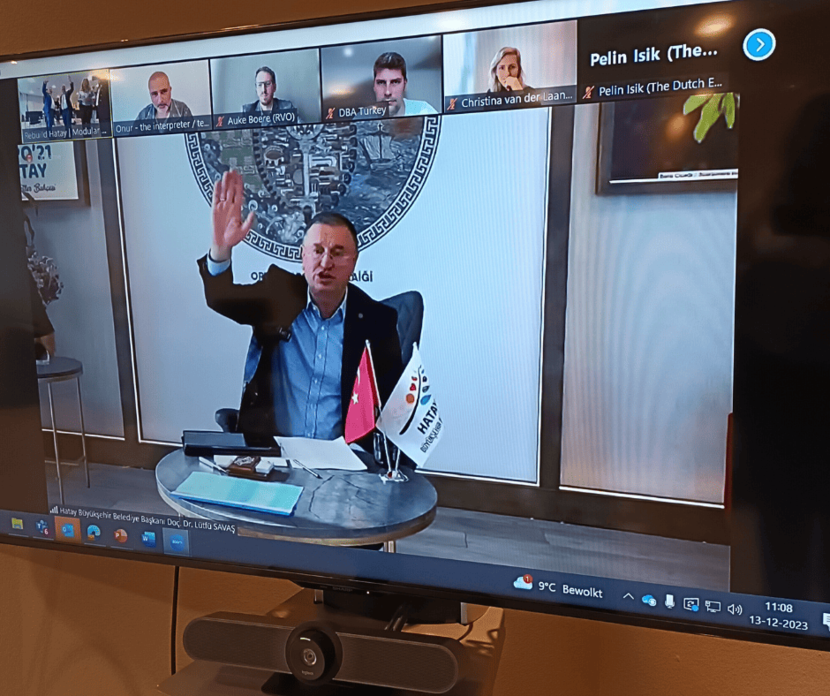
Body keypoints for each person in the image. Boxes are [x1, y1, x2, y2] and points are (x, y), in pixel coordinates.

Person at [198, 170, 403, 446]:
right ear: (302, 257)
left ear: (354, 262)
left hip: (343, 463)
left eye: (338, 253)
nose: (326, 262)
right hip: (275, 453)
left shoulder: (378, 322)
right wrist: (220, 249)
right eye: (317, 251)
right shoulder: (278, 296)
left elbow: (394, 412)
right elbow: (220, 298)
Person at [372, 52, 437, 117]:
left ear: (404, 85)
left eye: (395, 82)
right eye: (381, 83)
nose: (387, 92)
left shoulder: (424, 111)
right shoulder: (364, 118)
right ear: (374, 86)